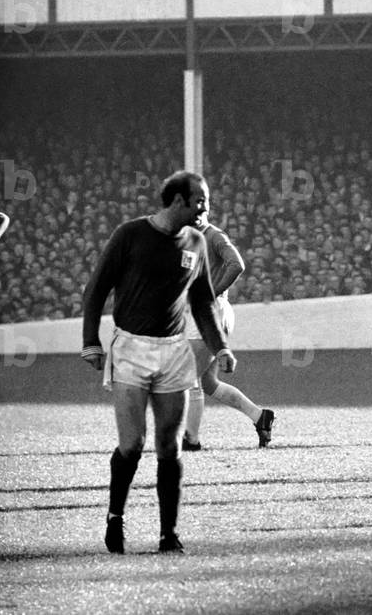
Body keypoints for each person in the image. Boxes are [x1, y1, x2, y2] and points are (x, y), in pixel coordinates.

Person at [82, 171, 237, 555]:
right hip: (131, 350)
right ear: (179, 201)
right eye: (200, 199)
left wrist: (219, 347)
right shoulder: (130, 235)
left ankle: (169, 535)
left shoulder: (197, 242)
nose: (206, 207)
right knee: (132, 445)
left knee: (170, 446)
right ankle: (115, 519)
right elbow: (96, 288)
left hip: (174, 350)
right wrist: (90, 341)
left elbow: (201, 302)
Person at [182, 212, 274, 451]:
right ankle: (259, 416)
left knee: (189, 376)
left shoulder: (213, 236)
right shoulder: (188, 239)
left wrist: (212, 292)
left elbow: (237, 264)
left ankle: (190, 440)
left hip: (212, 311)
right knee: (208, 382)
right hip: (200, 311)